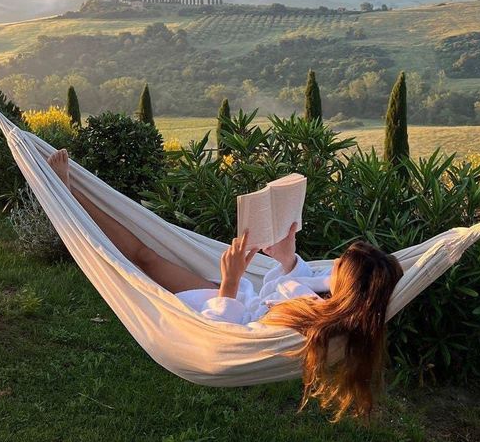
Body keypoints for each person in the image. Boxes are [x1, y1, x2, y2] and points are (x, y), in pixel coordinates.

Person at [47, 149, 403, 419]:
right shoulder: (332, 296)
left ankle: (66, 197)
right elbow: (292, 286)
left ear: (352, 287)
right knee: (145, 256)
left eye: (340, 265)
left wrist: (230, 282)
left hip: (211, 319)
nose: (333, 266)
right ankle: (71, 194)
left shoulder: (313, 329)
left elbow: (225, 343)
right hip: (232, 297)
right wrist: (286, 257)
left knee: (139, 263)